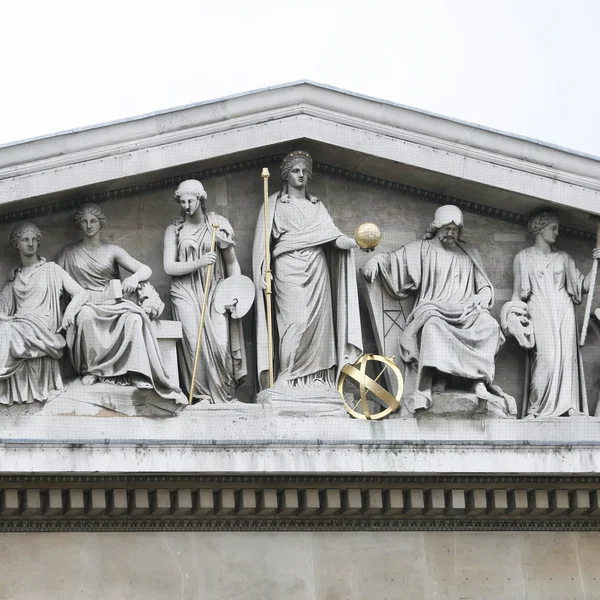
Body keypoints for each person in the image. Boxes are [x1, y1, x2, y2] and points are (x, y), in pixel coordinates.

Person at [363, 204, 515, 416]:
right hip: (434, 309)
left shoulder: (468, 253)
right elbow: (395, 260)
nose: (451, 233)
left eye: (455, 230)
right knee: (432, 327)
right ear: (436, 227)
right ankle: (435, 381)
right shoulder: (422, 249)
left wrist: (482, 296)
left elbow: (484, 287)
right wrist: (377, 260)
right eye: (447, 229)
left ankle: (478, 382)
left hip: (466, 312)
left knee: (489, 326)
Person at [252, 151, 363, 390]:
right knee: (295, 323)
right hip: (287, 268)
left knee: (318, 326)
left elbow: (335, 238)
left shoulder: (317, 206)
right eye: (295, 171)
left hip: (316, 268)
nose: (300, 175)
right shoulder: (273, 204)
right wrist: (262, 270)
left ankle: (317, 379)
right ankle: (288, 376)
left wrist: (357, 242)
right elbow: (262, 244)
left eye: (304, 171)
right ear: (286, 175)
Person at [57, 203, 182, 402]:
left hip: (113, 301)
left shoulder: (112, 250)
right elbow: (54, 280)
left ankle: (136, 371)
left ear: (100, 224)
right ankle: (93, 370)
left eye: (93, 221)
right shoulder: (68, 253)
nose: (89, 225)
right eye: (84, 221)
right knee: (86, 317)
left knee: (133, 318)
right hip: (86, 303)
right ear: (79, 225)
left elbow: (145, 269)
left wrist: (133, 278)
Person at [507, 212, 600, 418]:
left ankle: (569, 407)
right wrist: (512, 315)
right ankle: (536, 408)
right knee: (546, 358)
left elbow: (584, 285)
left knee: (567, 358)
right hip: (538, 307)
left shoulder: (564, 257)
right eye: (553, 228)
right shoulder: (522, 257)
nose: (557, 232)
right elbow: (516, 293)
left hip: (563, 309)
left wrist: (597, 262)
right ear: (540, 229)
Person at [163, 179, 246, 403]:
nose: (186, 206)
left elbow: (232, 263)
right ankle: (200, 398)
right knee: (194, 345)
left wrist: (235, 291)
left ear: (201, 199)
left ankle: (225, 397)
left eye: (190, 200)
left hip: (215, 291)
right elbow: (169, 267)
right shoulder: (174, 230)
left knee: (220, 344)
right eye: (182, 202)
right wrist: (199, 262)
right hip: (185, 291)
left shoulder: (218, 224)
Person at [0, 222, 88, 405]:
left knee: (7, 331)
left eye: (34, 239)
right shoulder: (14, 279)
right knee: (5, 328)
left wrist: (70, 311)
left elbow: (82, 293)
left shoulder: (52, 270)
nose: (30, 243)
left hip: (43, 327)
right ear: (17, 244)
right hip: (20, 324)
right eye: (25, 239)